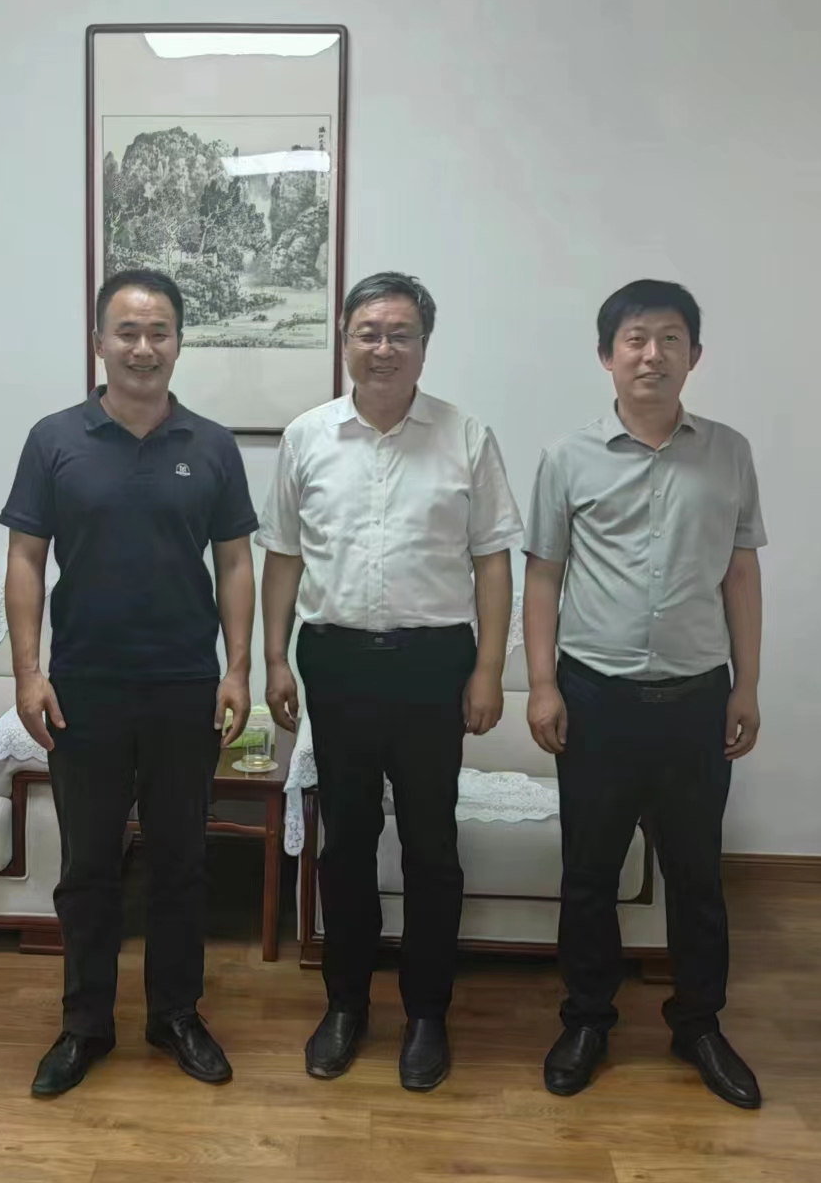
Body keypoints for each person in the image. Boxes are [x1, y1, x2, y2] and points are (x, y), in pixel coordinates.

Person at [260, 272, 523, 1091]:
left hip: (432, 665)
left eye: (400, 334)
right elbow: (283, 557)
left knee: (431, 845)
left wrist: (489, 670)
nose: (383, 348)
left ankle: (427, 1013)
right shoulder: (307, 437)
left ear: (424, 345)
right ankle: (346, 1004)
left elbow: (492, 562)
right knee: (344, 844)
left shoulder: (466, 436)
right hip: (335, 660)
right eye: (368, 333)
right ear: (345, 340)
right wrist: (275, 658)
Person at [4, 269, 257, 1097]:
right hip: (84, 687)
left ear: (178, 342)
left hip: (186, 686)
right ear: (99, 342)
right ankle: (85, 1023)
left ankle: (175, 1014)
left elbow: (235, 562)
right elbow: (25, 559)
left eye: (159, 332)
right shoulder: (55, 440)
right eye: (127, 332)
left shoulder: (212, 446)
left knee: (182, 862)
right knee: (88, 866)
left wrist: (239, 668)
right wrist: (29, 674)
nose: (143, 347)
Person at [522, 278, 766, 1109]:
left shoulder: (729, 453)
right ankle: (587, 1020)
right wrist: (543, 684)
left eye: (669, 338)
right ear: (606, 356)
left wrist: (748, 686)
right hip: (597, 698)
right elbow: (544, 575)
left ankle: (698, 1022)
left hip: (697, 699)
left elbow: (740, 574)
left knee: (698, 874)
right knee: (589, 873)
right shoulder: (567, 457)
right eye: (634, 339)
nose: (651, 354)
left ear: (694, 355)